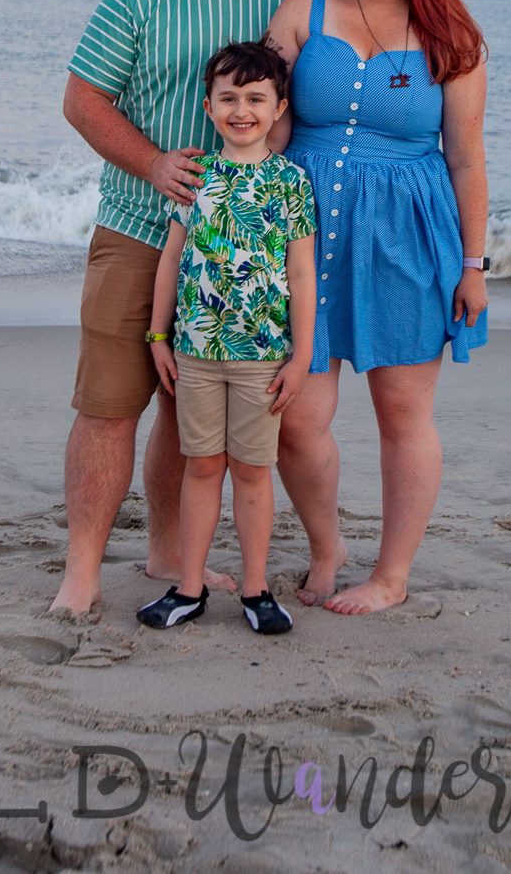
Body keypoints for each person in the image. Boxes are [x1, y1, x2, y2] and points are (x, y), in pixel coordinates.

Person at [50, 0, 290, 615]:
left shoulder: (278, 4)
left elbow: (293, 116)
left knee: (187, 413)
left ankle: (163, 552)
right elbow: (82, 99)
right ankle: (81, 572)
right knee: (109, 406)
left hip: (232, 257)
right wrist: (153, 162)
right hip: (138, 231)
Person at [267, 0, 488, 615]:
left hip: (406, 237)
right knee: (296, 417)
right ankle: (327, 548)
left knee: (402, 414)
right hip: (302, 235)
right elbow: (265, 120)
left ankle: (392, 576)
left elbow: (466, 160)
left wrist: (474, 266)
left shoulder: (452, 37)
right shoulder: (303, 11)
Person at [136, 40, 317, 634]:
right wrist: (159, 337)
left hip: (262, 357)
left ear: (279, 107)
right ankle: (188, 588)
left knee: (253, 471)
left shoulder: (290, 182)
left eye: (256, 99)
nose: (242, 110)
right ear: (209, 107)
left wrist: (302, 355)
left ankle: (256, 589)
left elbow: (301, 273)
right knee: (202, 466)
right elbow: (171, 259)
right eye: (229, 98)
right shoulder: (196, 177)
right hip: (195, 353)